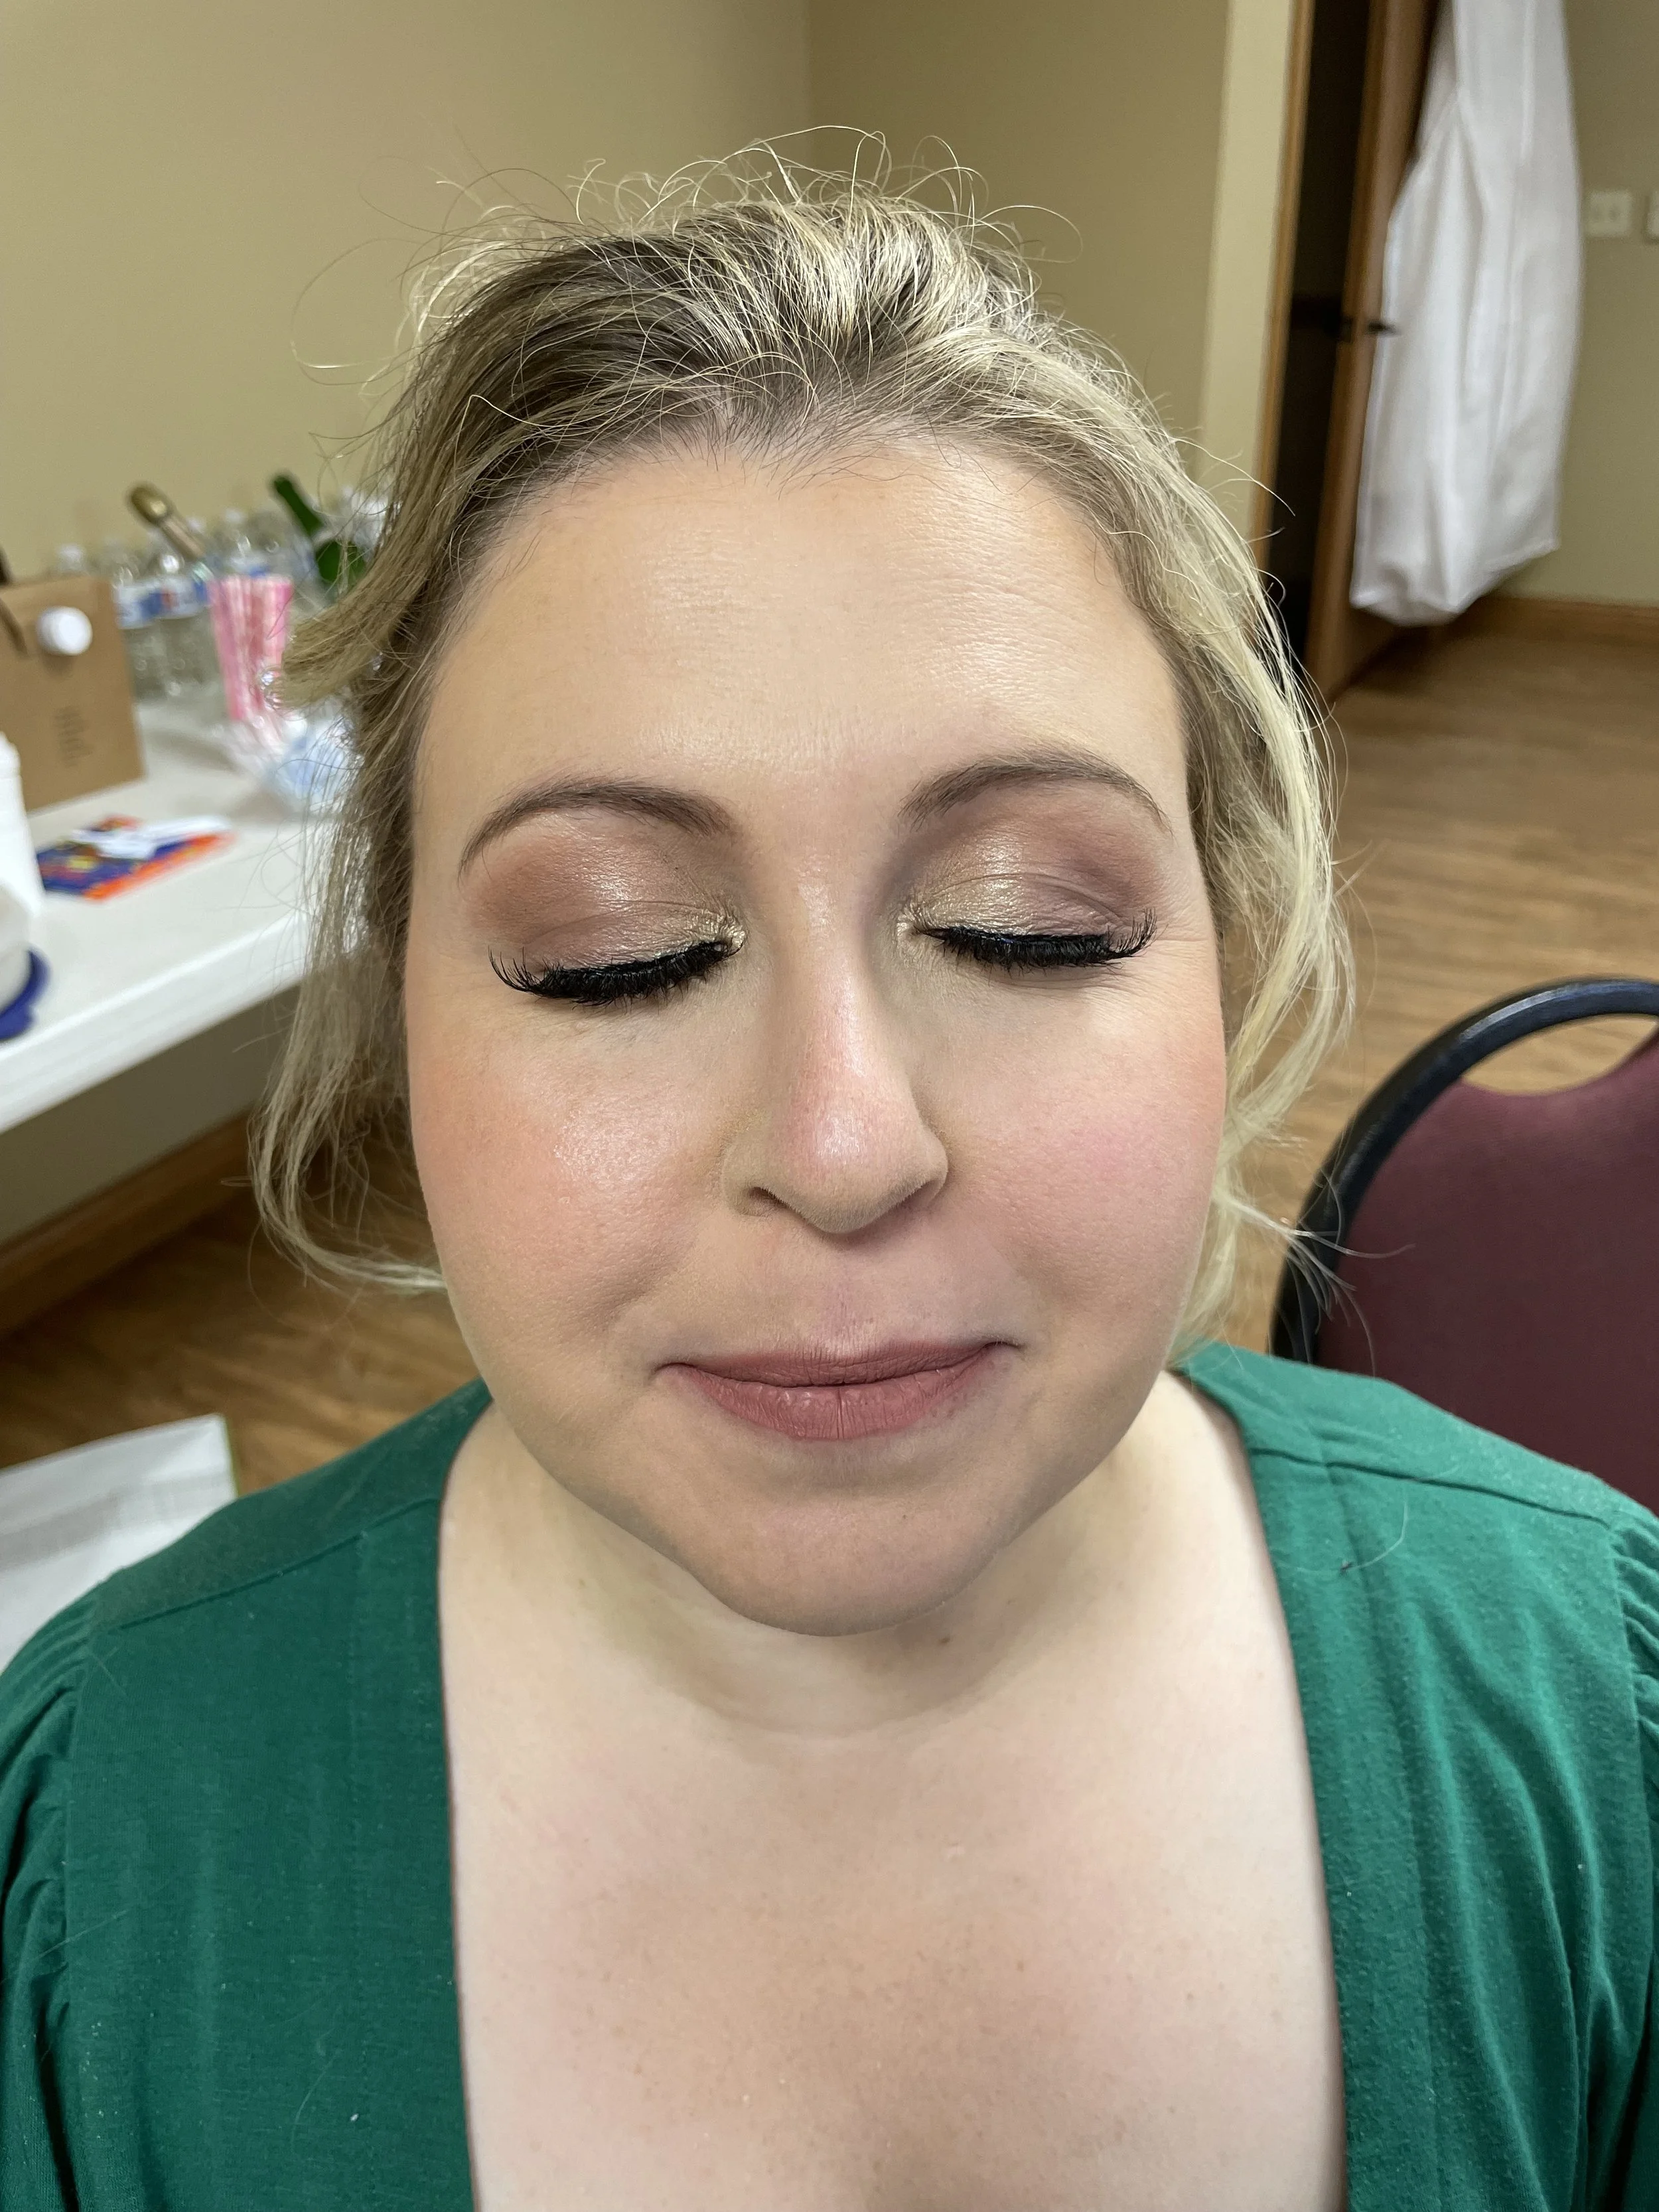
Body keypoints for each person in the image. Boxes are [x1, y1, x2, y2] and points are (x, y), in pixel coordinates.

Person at [2, 161, 1655, 2212]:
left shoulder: (1594, 1720)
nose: (841, 1142)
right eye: (612, 953)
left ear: (1227, 960)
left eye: (1028, 924)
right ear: (399, 1013)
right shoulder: (98, 1846)